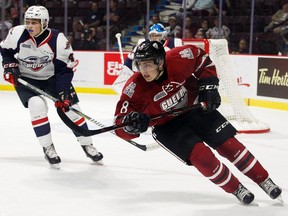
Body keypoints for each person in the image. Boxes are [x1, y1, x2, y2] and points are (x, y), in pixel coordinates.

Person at [113, 40, 283, 205]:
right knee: (203, 158)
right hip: (167, 127)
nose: (144, 70)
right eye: (140, 65)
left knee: (230, 146)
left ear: (160, 62)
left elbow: (202, 59)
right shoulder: (134, 87)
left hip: (194, 108)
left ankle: (264, 180)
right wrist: (131, 124)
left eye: (148, 64)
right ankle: (236, 188)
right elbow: (119, 124)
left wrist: (208, 84)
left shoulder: (178, 58)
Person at [0, 5, 103, 169]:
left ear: (44, 23)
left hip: (53, 78)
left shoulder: (58, 40)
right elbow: (5, 51)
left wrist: (62, 93)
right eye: (28, 22)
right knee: (37, 106)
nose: (30, 26)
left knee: (72, 110)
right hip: (26, 78)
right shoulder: (17, 33)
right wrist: (9, 66)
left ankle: (88, 145)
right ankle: (48, 148)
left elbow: (65, 70)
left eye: (35, 22)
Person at [112, 23, 183, 94]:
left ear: (163, 35)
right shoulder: (143, 45)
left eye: (157, 35)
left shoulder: (175, 43)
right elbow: (130, 60)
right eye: (152, 35)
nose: (154, 38)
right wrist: (125, 70)